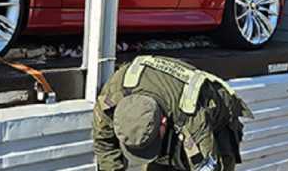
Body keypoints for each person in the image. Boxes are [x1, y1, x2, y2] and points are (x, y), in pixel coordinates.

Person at [92, 55, 252, 171]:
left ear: (162, 122)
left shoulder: (192, 118)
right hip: (169, 109)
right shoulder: (112, 96)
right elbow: (105, 146)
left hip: (217, 120)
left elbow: (206, 166)